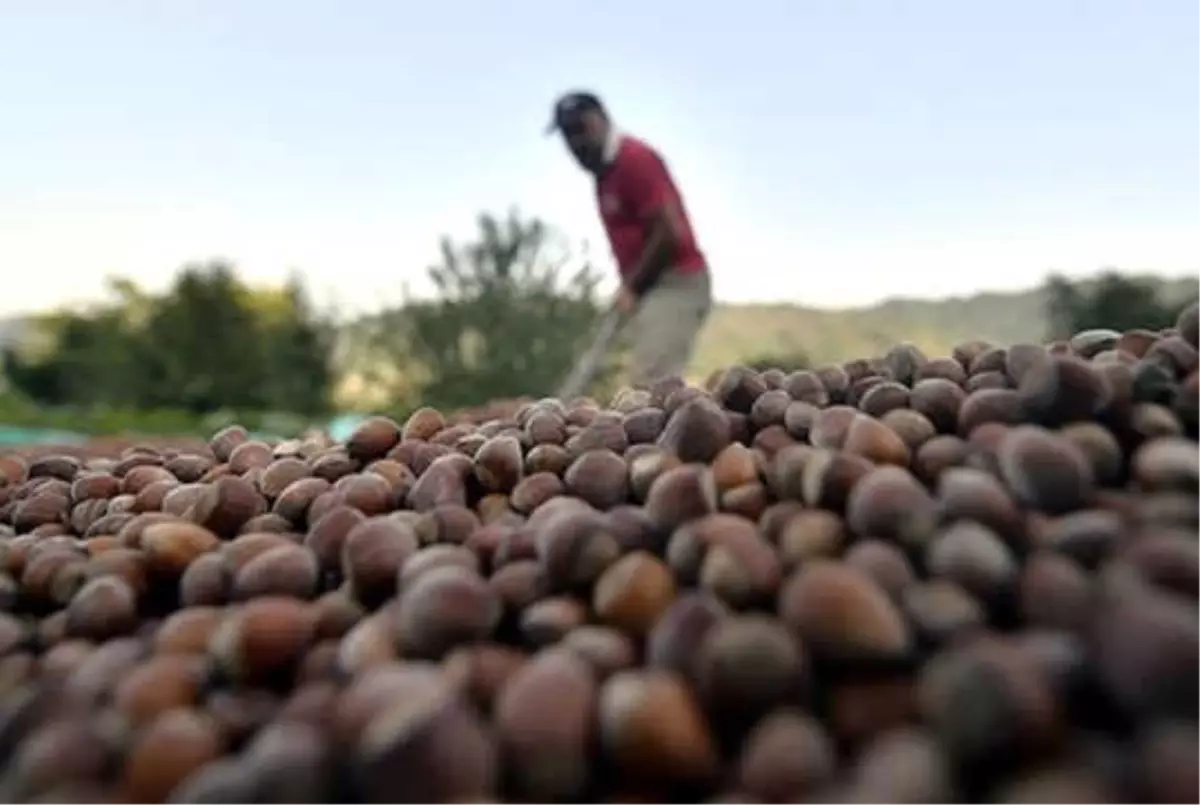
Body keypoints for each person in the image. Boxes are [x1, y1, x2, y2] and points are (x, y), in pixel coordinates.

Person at [546, 90, 713, 388]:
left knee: (652, 383)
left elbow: (668, 234)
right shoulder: (603, 175)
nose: (575, 143)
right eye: (567, 135)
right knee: (632, 375)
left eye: (580, 129)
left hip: (676, 281)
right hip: (649, 286)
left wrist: (632, 286)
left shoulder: (633, 159)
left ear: (603, 120)